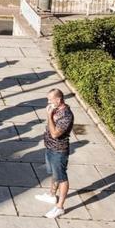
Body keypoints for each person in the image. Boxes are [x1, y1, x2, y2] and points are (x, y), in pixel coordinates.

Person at [35, 88, 75, 219]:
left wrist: (49, 115)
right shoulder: (56, 109)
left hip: (59, 150)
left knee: (62, 178)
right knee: (54, 173)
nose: (48, 102)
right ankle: (52, 195)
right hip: (50, 147)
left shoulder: (66, 115)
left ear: (58, 100)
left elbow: (55, 133)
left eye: (50, 100)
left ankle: (60, 207)